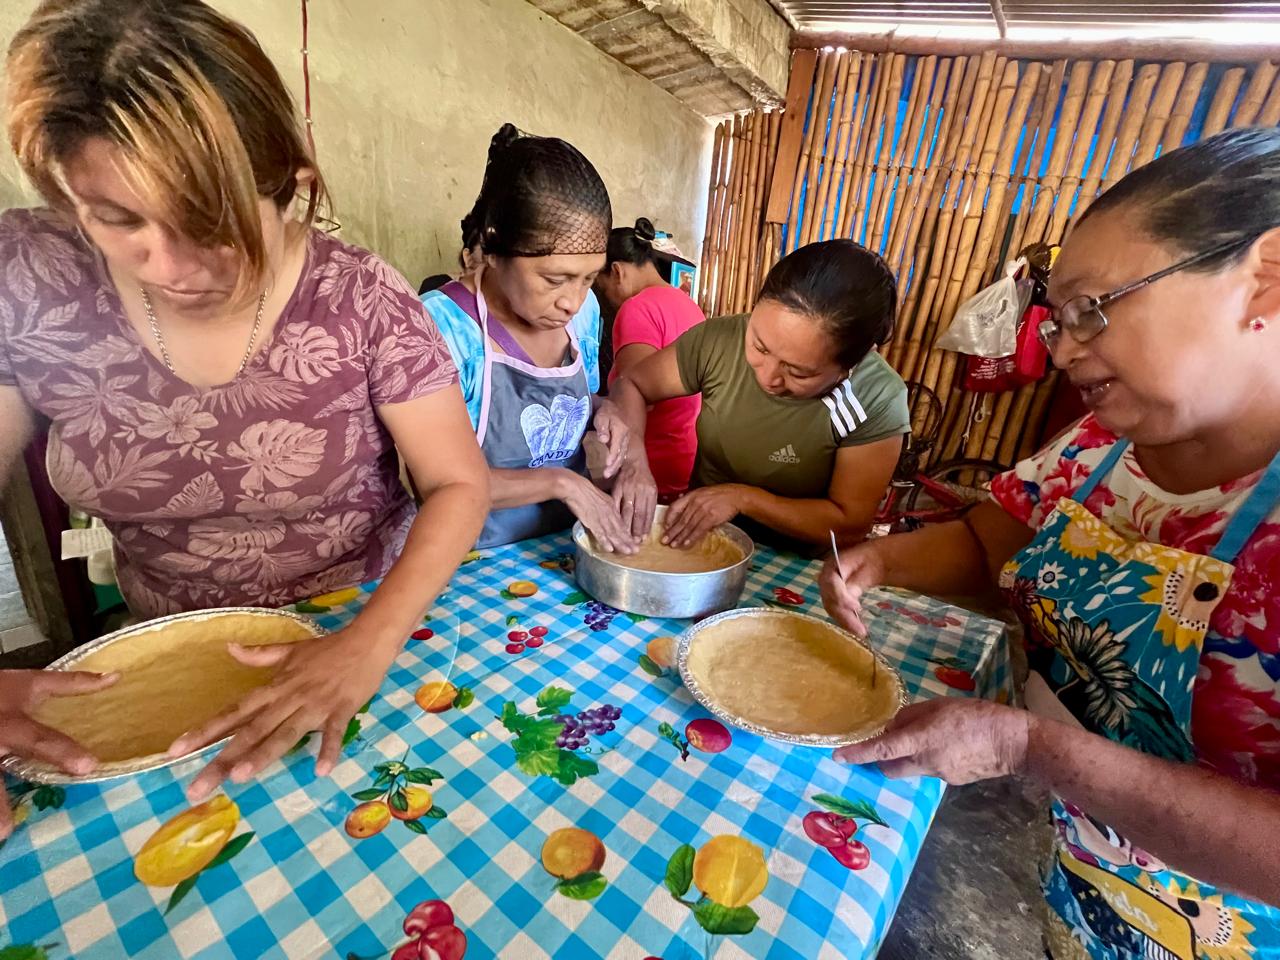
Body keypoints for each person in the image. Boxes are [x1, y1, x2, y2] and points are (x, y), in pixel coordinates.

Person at [0, 0, 489, 802]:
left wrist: (366, 645)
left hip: (361, 623)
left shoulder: (359, 299)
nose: (166, 266)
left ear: (291, 187)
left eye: (208, 226)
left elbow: (459, 483)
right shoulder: (29, 276)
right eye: (116, 219)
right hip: (167, 652)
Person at [821, 129, 1280, 957]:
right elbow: (982, 546)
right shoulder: (1095, 448)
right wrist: (880, 561)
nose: (1062, 348)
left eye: (1092, 308)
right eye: (1058, 318)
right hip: (1076, 883)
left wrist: (1027, 746)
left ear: (1266, 278)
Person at [606, 239, 910, 552]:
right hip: (699, 538)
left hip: (799, 560)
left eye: (798, 372)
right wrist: (634, 460)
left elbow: (849, 525)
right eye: (759, 347)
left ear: (854, 362)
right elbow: (631, 384)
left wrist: (742, 498)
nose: (767, 377)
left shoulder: (876, 398)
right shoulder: (719, 341)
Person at [423, 124, 634, 552]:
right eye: (555, 279)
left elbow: (576, 401)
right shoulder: (442, 328)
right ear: (493, 249)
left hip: (563, 549)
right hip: (471, 558)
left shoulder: (586, 314)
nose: (572, 302)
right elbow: (437, 480)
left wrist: (605, 410)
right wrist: (562, 483)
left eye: (588, 278)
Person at [594, 217, 706, 502]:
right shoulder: (690, 306)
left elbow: (636, 396)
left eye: (602, 288)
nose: (607, 300)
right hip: (686, 461)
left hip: (648, 469)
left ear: (617, 272)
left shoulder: (636, 308)